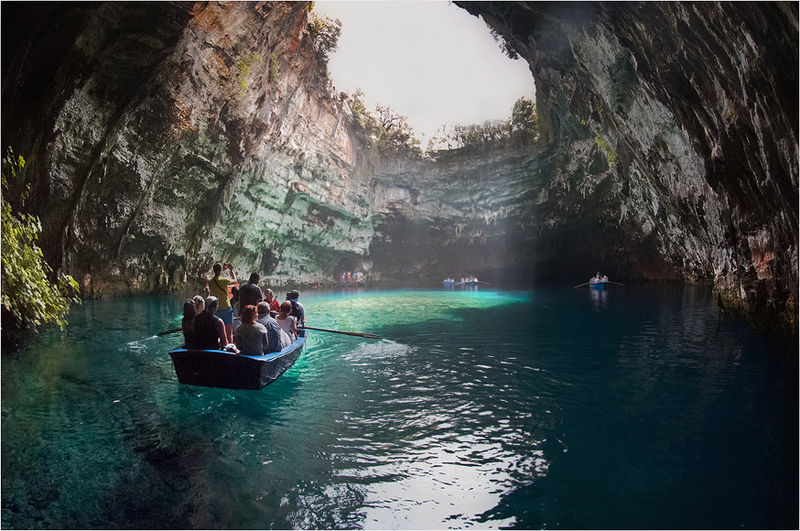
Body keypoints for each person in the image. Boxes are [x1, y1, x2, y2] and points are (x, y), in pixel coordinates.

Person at [206, 263, 237, 344]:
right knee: (229, 332)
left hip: (215, 310)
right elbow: (235, 280)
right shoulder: (224, 280)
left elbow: (216, 277)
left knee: (217, 332)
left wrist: (222, 270)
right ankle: (230, 349)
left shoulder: (210, 281)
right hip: (226, 308)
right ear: (220, 271)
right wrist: (231, 270)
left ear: (213, 270)